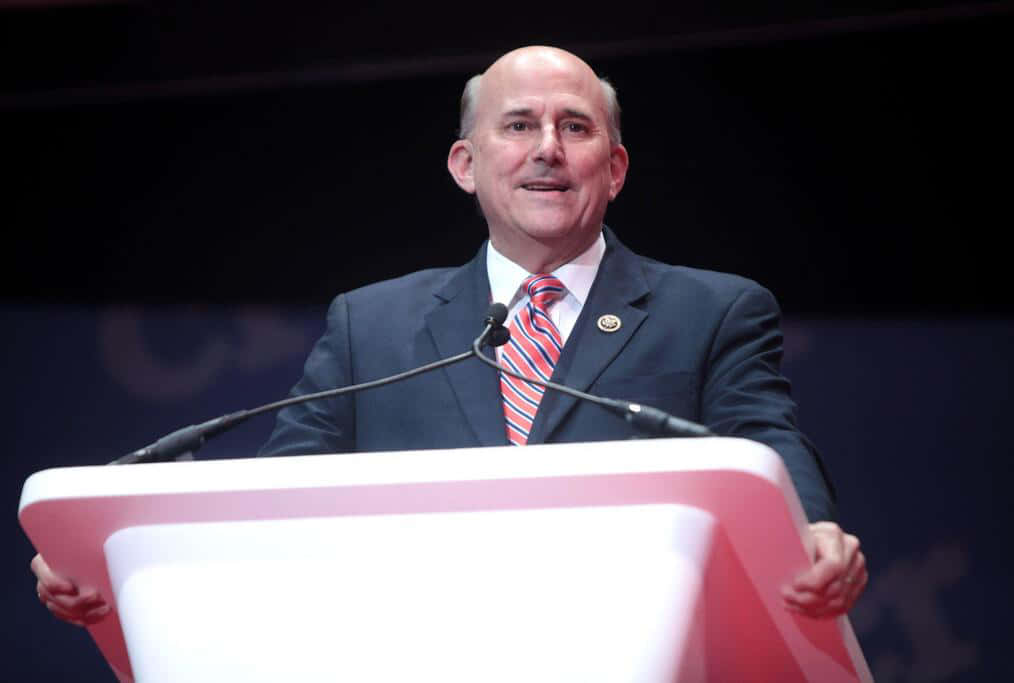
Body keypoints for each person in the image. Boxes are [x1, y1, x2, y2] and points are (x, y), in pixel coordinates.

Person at [32, 45, 866, 625]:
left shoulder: (713, 310)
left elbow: (764, 436)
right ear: (466, 165)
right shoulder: (374, 323)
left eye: (575, 128)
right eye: (518, 126)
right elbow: (276, 495)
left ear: (613, 168)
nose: (547, 150)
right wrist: (111, 560)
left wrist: (812, 532)